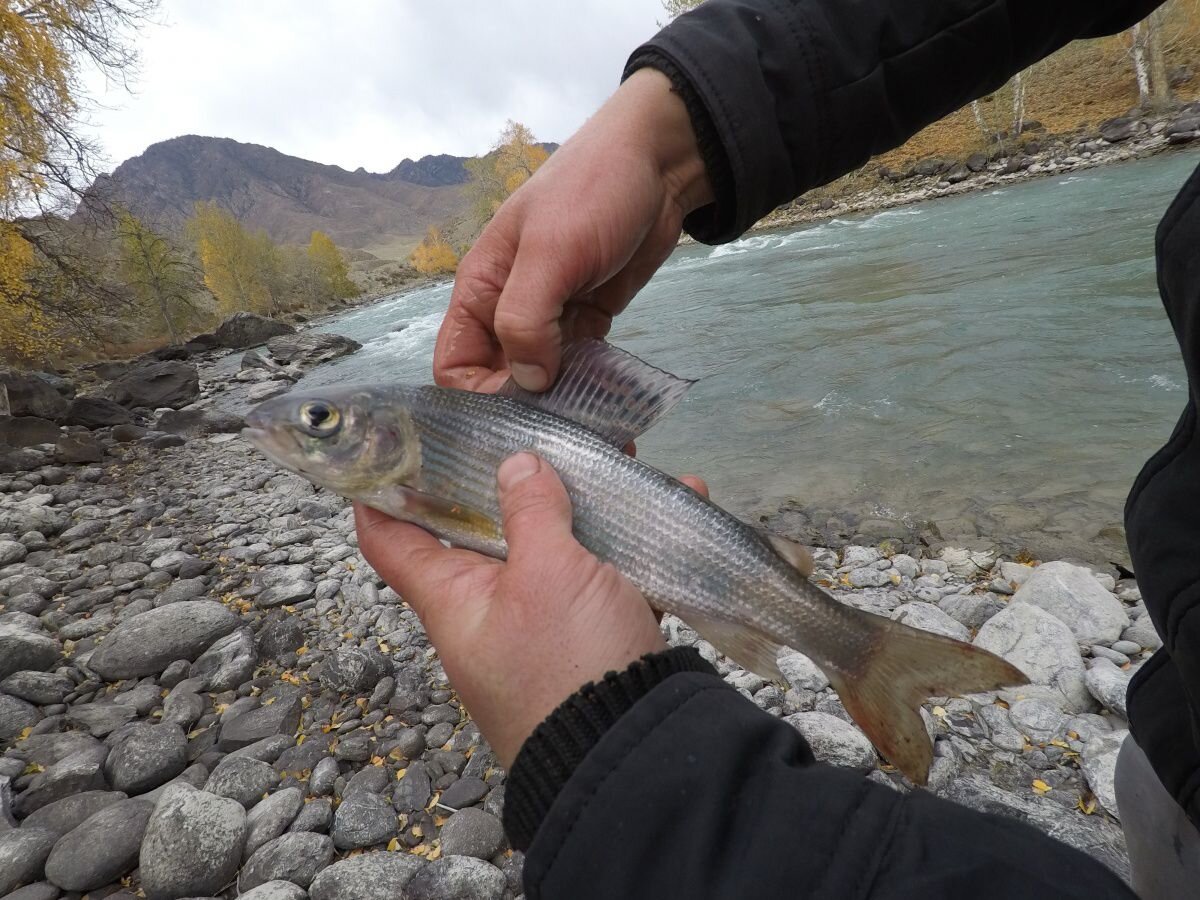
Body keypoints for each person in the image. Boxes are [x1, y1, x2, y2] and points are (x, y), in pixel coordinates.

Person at [357, 1, 1200, 896]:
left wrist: (605, 750)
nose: (307, 434)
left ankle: (862, 654)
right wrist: (660, 136)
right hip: (1170, 746)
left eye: (325, 424)